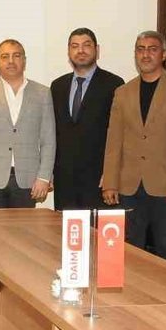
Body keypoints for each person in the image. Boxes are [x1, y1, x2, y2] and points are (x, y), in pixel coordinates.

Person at [102, 31, 166, 262]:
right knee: (129, 249)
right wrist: (110, 182)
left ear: (163, 54)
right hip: (129, 185)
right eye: (140, 49)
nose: (146, 54)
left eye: (152, 49)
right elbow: (114, 141)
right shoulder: (123, 92)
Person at [0, 39, 56, 208]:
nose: (11, 61)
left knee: (23, 226)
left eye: (16, 56)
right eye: (5, 56)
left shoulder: (42, 93)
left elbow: (48, 140)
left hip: (28, 180)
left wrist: (44, 177)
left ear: (24, 61)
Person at [51, 28, 125, 210]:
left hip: (99, 180)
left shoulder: (114, 84)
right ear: (68, 51)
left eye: (86, 45)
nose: (80, 50)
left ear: (97, 50)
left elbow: (120, 135)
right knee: (64, 228)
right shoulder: (57, 86)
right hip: (65, 180)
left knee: (97, 228)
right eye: (75, 46)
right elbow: (53, 133)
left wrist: (111, 175)